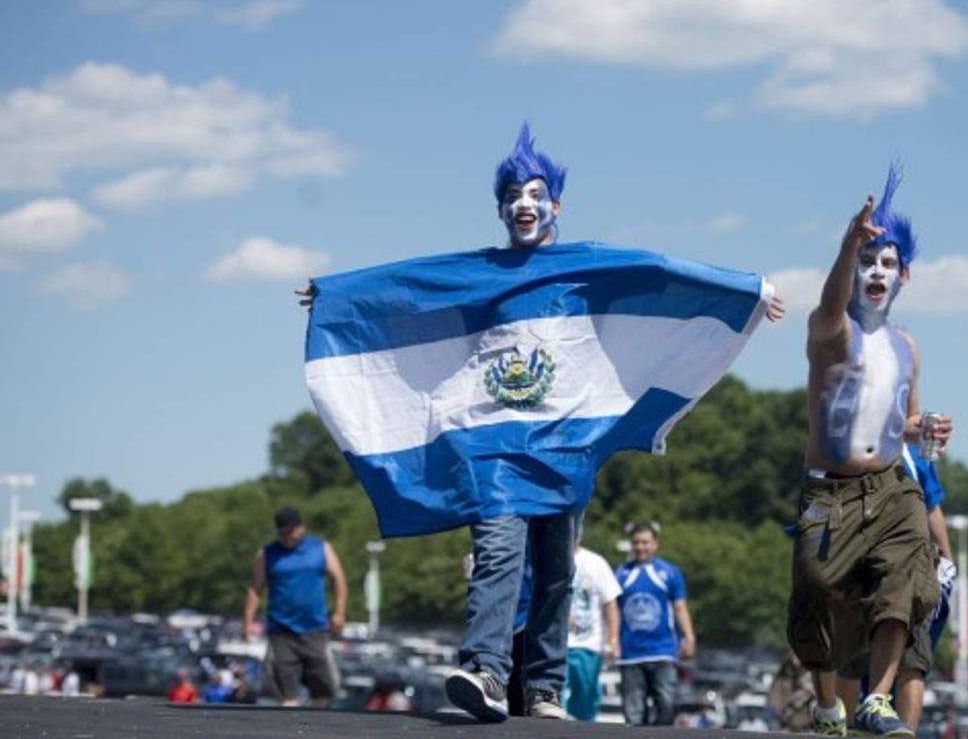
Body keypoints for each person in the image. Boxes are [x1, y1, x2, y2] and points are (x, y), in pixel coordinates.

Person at [297, 124, 783, 724]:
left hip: (564, 445)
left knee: (556, 571)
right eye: (512, 197)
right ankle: (485, 669)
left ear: (557, 205)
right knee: (498, 551)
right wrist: (337, 296)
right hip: (494, 446)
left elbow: (657, 270)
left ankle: (545, 688)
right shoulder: (481, 271)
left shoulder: (584, 265)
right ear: (500, 209)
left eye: (534, 194)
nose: (523, 205)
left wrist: (745, 290)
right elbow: (411, 283)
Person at [787, 164, 951, 738]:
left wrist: (927, 428)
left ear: (904, 275)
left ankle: (876, 700)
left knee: (904, 582)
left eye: (886, 263)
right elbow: (831, 304)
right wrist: (846, 246)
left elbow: (904, 422)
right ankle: (827, 704)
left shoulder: (907, 347)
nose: (875, 271)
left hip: (890, 487)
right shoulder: (831, 330)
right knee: (816, 597)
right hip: (828, 490)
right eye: (866, 261)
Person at [841, 442, 958, 729]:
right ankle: (845, 728)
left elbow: (932, 507)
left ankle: (901, 729)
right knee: (851, 656)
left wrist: (947, 560)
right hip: (862, 562)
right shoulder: (858, 444)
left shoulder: (915, 455)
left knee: (912, 661)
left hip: (909, 567)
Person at [242, 506, 348, 707]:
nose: (287, 537)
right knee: (286, 691)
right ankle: (289, 716)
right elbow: (255, 589)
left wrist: (339, 613)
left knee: (323, 688)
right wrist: (247, 622)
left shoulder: (321, 548)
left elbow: (339, 579)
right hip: (281, 630)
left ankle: (315, 720)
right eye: (282, 533)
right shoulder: (267, 553)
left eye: (291, 531)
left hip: (314, 628)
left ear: (301, 528)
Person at [616, 521, 694, 726]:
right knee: (633, 714)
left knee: (667, 704)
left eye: (645, 542)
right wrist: (612, 640)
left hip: (663, 651)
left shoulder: (669, 572)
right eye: (636, 543)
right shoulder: (621, 574)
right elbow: (613, 610)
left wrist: (689, 636)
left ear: (655, 544)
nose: (640, 547)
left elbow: (680, 607)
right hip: (630, 655)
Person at [563, 525, 621, 721]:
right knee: (554, 697)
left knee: (585, 700)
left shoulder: (596, 562)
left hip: (588, 644)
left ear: (580, 535)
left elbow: (610, 603)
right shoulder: (551, 557)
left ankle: (583, 730)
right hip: (557, 645)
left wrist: (613, 639)